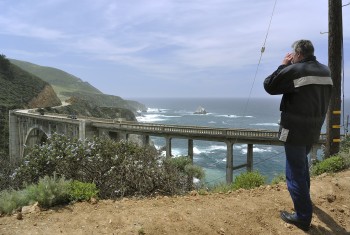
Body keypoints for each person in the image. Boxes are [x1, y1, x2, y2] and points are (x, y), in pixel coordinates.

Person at [263, 39, 333, 231]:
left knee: (294, 173)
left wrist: (283, 65)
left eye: (293, 54)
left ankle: (302, 216)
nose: (292, 57)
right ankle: (305, 204)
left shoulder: (296, 69)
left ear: (299, 54)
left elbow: (269, 85)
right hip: (313, 128)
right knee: (301, 167)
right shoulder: (325, 70)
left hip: (293, 129)